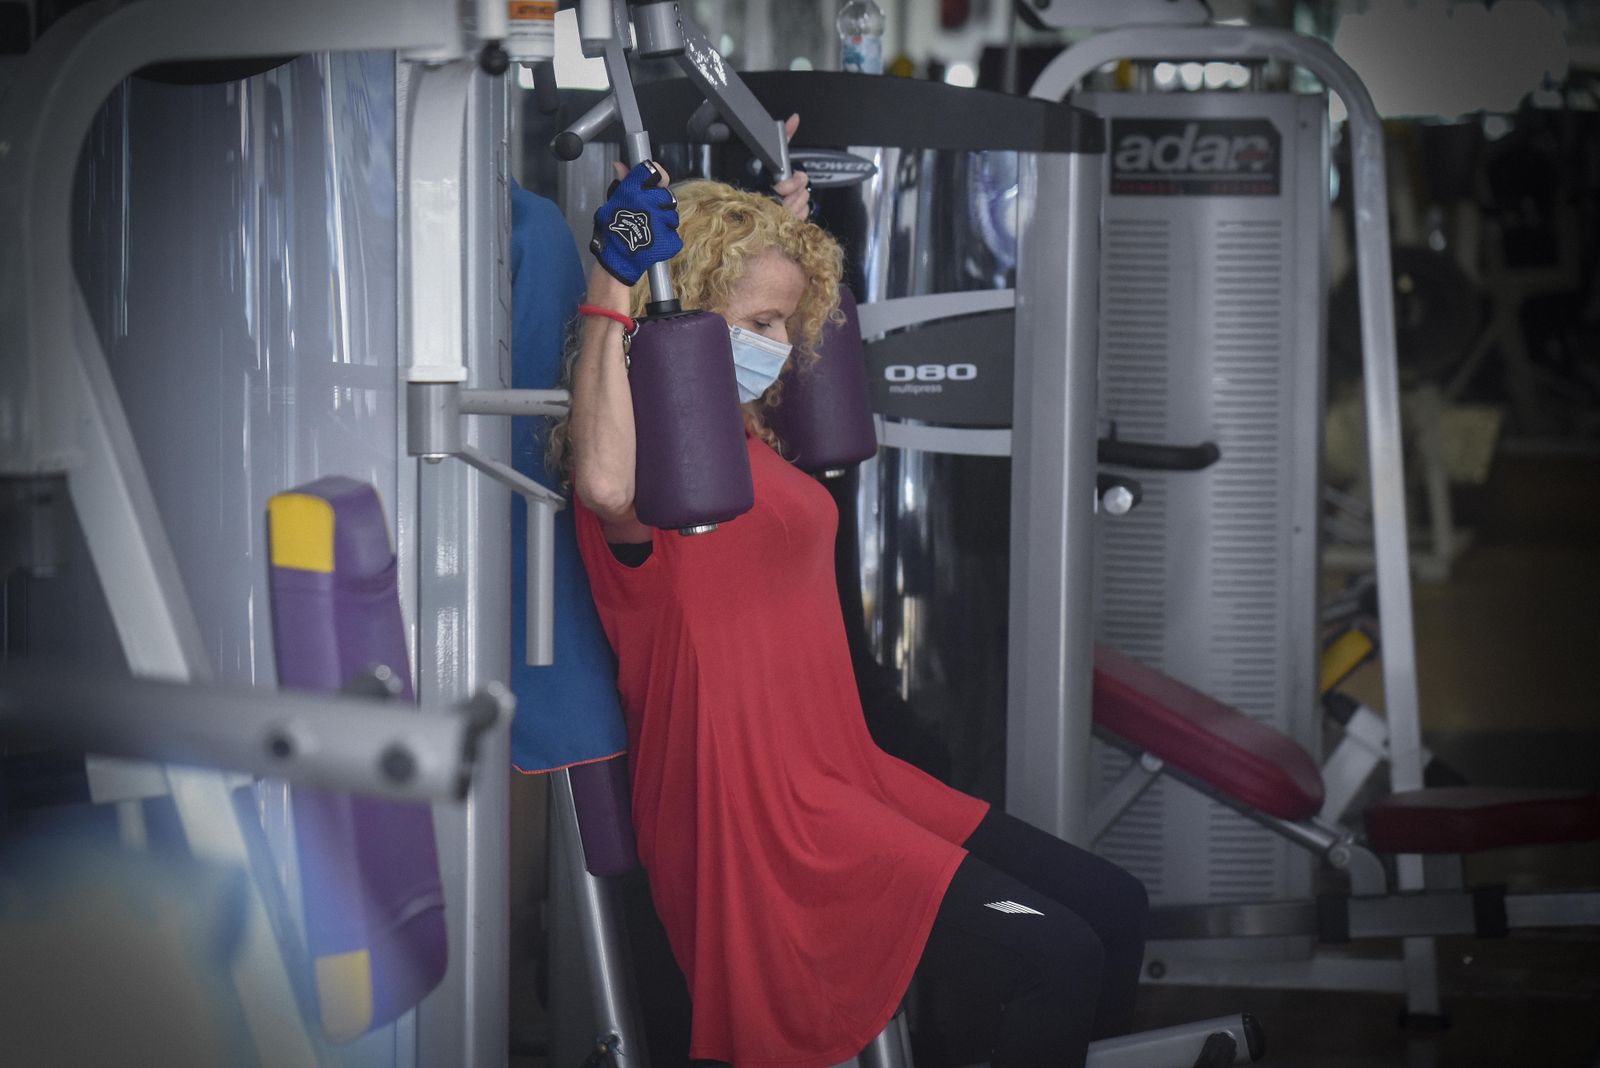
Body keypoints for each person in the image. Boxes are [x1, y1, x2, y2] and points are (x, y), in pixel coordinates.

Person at [553, 158, 1148, 1068]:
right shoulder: (655, 468)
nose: (781, 344)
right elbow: (602, 483)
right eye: (759, 324)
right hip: (763, 811)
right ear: (686, 314)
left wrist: (785, 229)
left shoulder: (741, 437)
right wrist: (614, 281)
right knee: (1052, 953)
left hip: (844, 771)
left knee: (1110, 907)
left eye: (787, 324)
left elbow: (784, 356)